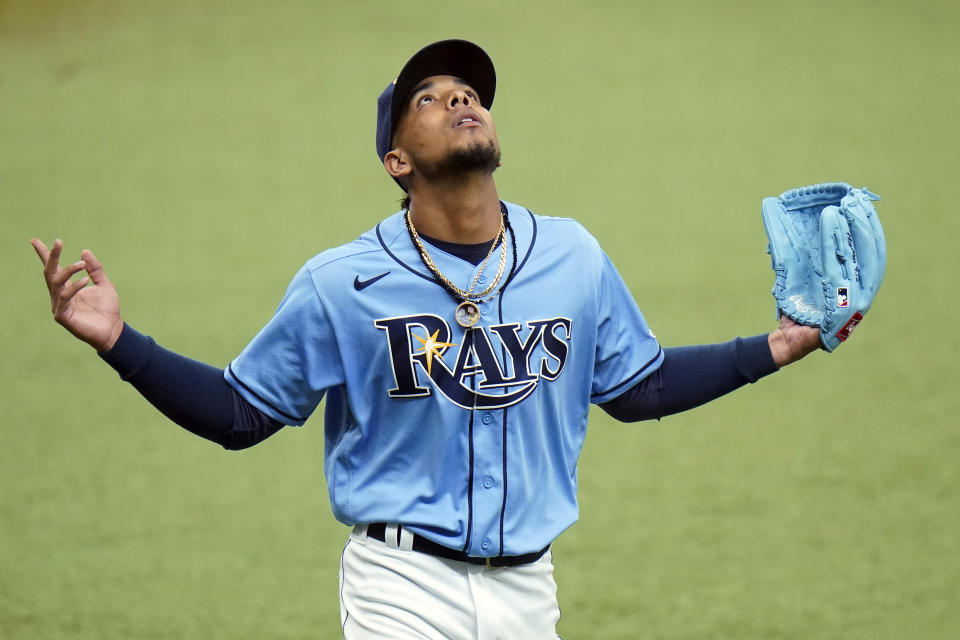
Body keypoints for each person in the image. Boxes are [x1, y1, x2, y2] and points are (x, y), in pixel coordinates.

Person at [32, 40, 820, 639]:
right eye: (432, 100)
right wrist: (119, 341)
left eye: (470, 93)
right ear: (396, 159)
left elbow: (636, 386)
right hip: (399, 583)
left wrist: (774, 348)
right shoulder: (342, 282)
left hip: (528, 588)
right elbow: (242, 414)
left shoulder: (572, 255)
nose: (461, 102)